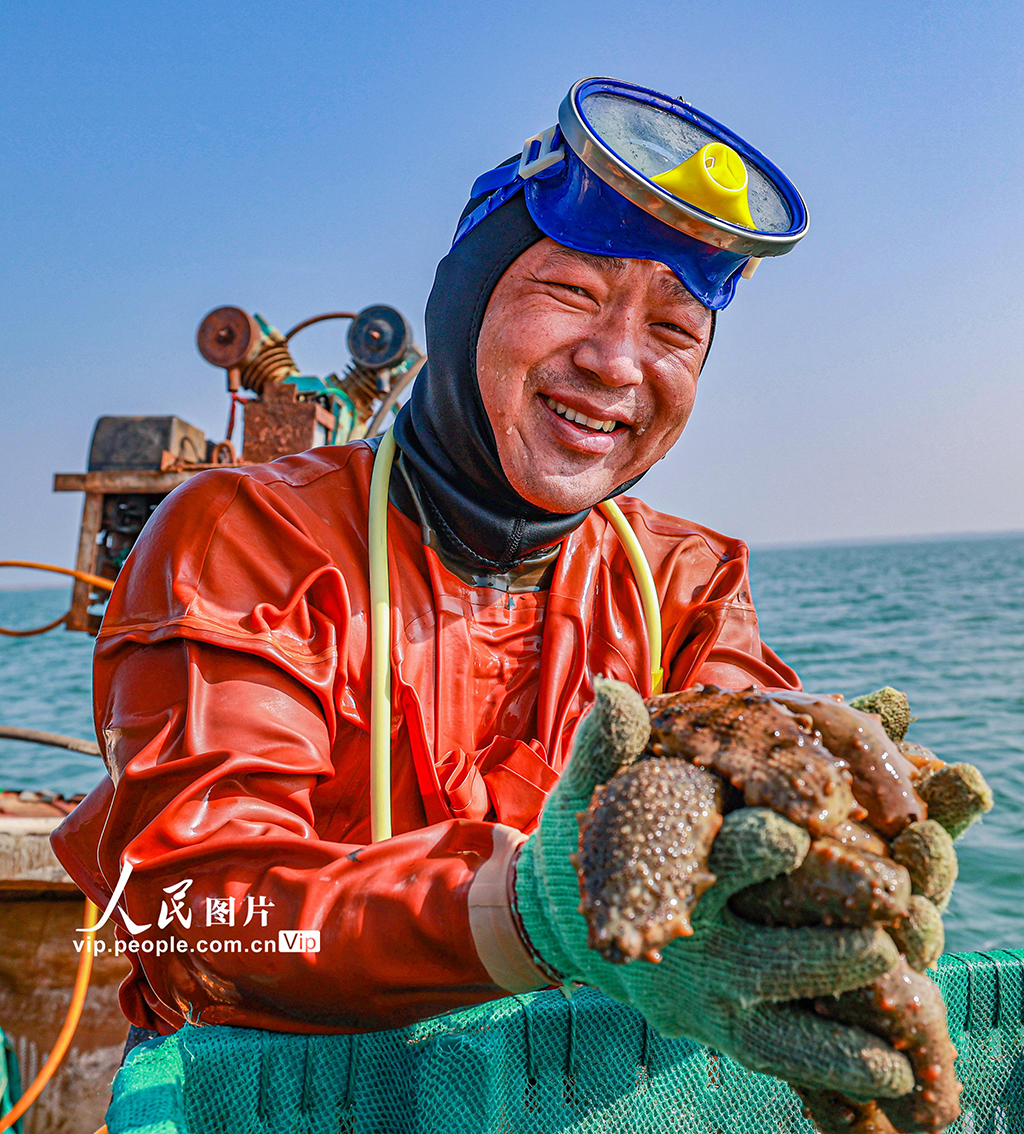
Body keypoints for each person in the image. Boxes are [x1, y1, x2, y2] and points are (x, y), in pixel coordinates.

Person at [52, 79, 909, 1096]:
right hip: (273, 1098)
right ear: (463, 304)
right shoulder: (246, 535)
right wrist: (532, 908)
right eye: (571, 295)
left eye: (674, 333)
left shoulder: (686, 581)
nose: (615, 363)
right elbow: (193, 908)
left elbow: (739, 783)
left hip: (560, 1093)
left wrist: (834, 840)